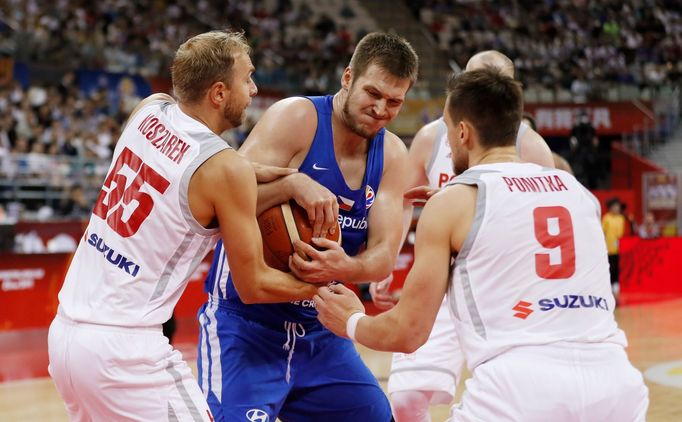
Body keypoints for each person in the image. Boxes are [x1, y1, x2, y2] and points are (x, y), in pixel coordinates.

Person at [315, 68, 649, 421]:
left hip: (521, 390)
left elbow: (408, 332)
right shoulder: (580, 195)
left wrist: (351, 320)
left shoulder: (453, 203)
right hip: (616, 385)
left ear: (462, 132)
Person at [47, 30, 321, 421]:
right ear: (219, 93)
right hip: (126, 352)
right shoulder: (224, 169)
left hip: (65, 336)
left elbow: (180, 171)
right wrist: (326, 285)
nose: (254, 88)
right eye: (248, 78)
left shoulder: (149, 109)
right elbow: (254, 284)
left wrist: (258, 174)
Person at [197, 32, 418, 422]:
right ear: (347, 77)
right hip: (245, 325)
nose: (381, 109)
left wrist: (347, 268)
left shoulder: (393, 154)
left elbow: (384, 256)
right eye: (373, 93)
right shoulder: (297, 117)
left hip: (320, 331)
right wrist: (291, 183)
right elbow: (220, 198)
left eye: (394, 102)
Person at [371, 50, 555, 422]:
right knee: (405, 399)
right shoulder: (431, 136)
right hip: (439, 284)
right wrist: (385, 255)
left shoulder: (531, 146)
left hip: (504, 291)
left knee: (519, 404)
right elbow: (402, 201)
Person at [603, 197, 626, 294]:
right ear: (610, 208)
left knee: (618, 267)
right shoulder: (606, 218)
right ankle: (610, 285)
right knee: (610, 267)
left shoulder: (621, 218)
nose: (617, 208)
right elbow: (603, 232)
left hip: (620, 248)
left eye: (618, 206)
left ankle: (617, 284)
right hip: (609, 248)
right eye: (615, 206)